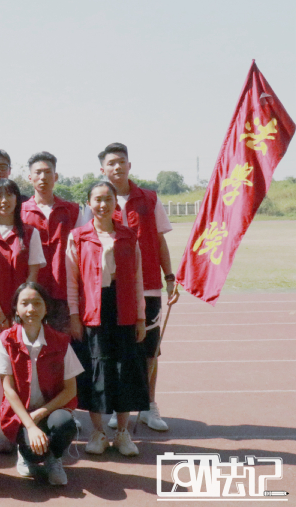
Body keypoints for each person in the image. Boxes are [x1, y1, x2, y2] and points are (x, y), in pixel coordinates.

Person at [98, 142, 179, 432]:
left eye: (121, 161)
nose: (117, 167)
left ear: (129, 165)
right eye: (111, 163)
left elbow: (159, 240)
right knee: (114, 350)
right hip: (112, 288)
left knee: (149, 350)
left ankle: (148, 406)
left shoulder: (149, 198)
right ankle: (117, 405)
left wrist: (170, 277)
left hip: (149, 287)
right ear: (102, 169)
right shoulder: (98, 201)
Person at [66, 181, 149, 457]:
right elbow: (72, 281)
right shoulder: (78, 237)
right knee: (97, 370)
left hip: (124, 309)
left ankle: (122, 433)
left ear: (115, 203)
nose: (102, 205)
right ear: (89, 203)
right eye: (97, 199)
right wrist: (74, 316)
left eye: (108, 199)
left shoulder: (128, 236)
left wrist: (140, 317)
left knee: (125, 369)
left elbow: (137, 278)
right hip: (93, 311)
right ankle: (98, 432)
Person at [0, 179, 46, 453]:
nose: (4, 201)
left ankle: (21, 427)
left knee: (22, 371)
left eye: (9, 195)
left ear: (17, 199)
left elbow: (33, 276)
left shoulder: (30, 233)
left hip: (24, 315)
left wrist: (20, 312)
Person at [0, 283, 82, 485]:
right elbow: (9, 390)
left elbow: (70, 390)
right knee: (33, 452)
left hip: (50, 411)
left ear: (46, 308)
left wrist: (39, 414)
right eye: (24, 303)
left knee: (64, 423)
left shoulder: (61, 341)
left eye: (37, 303)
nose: (31, 309)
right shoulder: (5, 341)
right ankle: (25, 454)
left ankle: (54, 458)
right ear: (16, 309)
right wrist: (30, 426)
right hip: (21, 414)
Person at [21, 152, 90, 334]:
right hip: (32, 292)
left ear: (56, 176)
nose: (42, 177)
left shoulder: (72, 211)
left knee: (63, 344)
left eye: (47, 172)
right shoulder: (20, 212)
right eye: (37, 172)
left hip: (64, 292)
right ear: (30, 177)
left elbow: (83, 251)